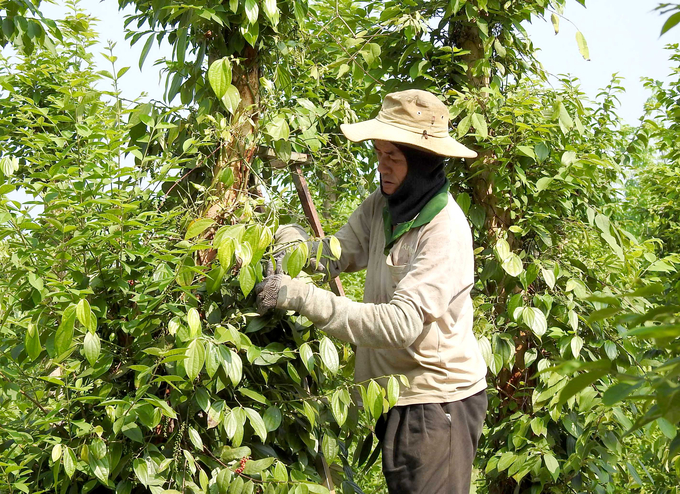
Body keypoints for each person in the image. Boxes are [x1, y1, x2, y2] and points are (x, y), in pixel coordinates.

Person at [255, 89, 488, 494]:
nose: (382, 167)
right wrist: (294, 248)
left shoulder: (444, 231)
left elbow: (400, 324)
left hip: (437, 404)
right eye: (379, 155)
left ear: (423, 161)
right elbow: (339, 253)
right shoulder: (385, 203)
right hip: (395, 397)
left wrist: (300, 296)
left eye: (393, 158)